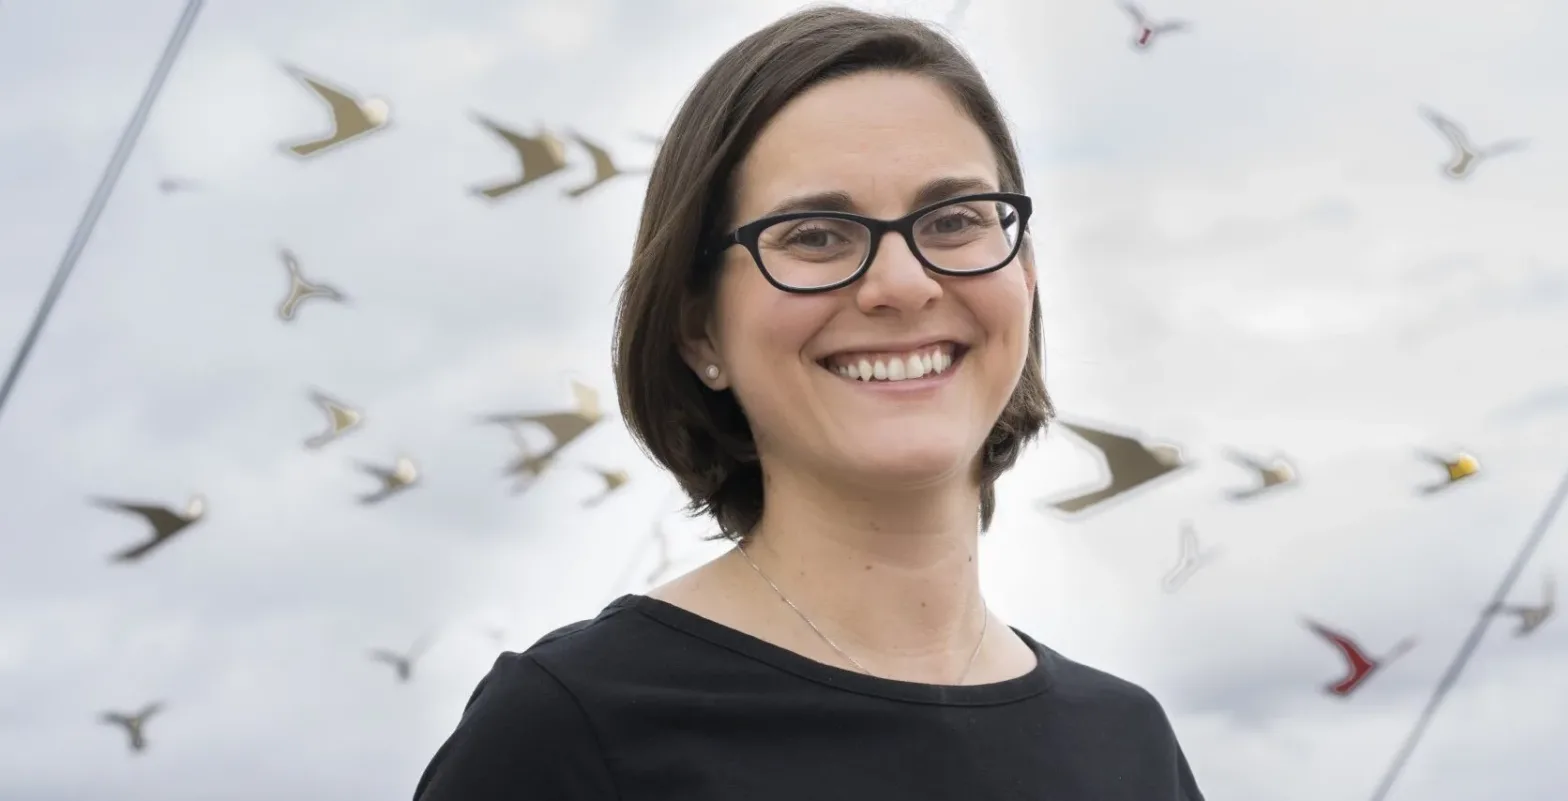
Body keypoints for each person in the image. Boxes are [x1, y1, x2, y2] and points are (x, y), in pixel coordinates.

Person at [413, 6, 1205, 800]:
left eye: (955, 219)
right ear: (698, 331)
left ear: (1025, 275)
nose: (902, 284)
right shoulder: (571, 730)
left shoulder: (1128, 744)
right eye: (816, 235)